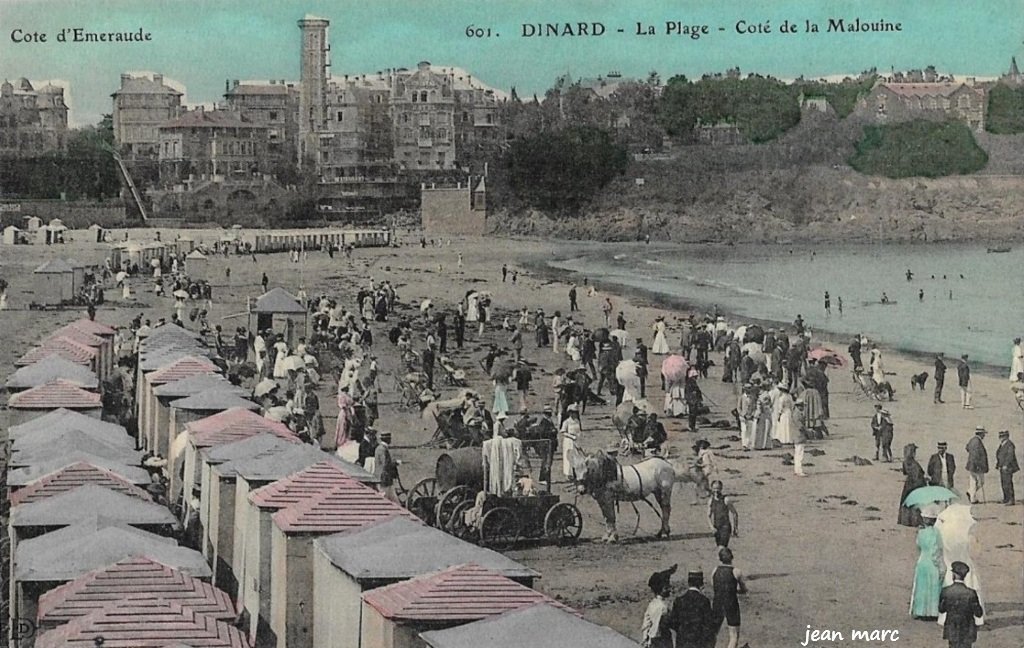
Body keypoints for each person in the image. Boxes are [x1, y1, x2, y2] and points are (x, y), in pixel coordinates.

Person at [938, 561, 983, 648]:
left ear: (953, 575)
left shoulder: (946, 591)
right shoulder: (971, 593)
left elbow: (941, 609)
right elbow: (978, 614)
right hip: (967, 629)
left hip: (951, 628)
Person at [669, 570, 716, 648]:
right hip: (699, 642)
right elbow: (709, 624)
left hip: (682, 641)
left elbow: (673, 623)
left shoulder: (679, 600)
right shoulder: (704, 601)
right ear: (701, 583)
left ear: (688, 582)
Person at [711, 548, 746, 648]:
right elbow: (744, 589)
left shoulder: (715, 570)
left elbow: (714, 586)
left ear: (720, 559)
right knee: (734, 635)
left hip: (717, 602)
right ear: (732, 557)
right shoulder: (736, 571)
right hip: (731, 603)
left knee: (713, 632)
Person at [910, 516, 944, 619]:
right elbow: (936, 550)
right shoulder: (936, 533)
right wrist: (939, 564)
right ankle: (932, 611)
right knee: (933, 586)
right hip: (931, 563)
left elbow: (918, 546)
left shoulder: (921, 533)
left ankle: (920, 610)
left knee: (921, 586)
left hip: (922, 561)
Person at [640, 565, 677, 648]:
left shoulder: (652, 604)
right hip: (661, 642)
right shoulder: (662, 607)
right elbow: (656, 630)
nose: (669, 590)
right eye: (666, 588)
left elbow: (646, 624)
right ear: (661, 589)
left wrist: (646, 639)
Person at [899, 444, 928, 527]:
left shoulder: (905, 462)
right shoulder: (915, 464)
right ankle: (915, 521)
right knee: (916, 504)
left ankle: (906, 521)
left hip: (908, 484)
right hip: (916, 485)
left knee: (907, 502)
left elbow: (904, 472)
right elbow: (918, 474)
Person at [707, 481, 739, 548]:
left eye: (718, 488)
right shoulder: (711, 501)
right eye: (714, 488)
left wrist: (735, 528)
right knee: (720, 548)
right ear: (712, 489)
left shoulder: (726, 500)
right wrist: (712, 527)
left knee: (722, 547)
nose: (716, 491)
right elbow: (708, 516)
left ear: (721, 488)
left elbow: (734, 513)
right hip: (716, 528)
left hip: (725, 527)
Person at [964, 427, 989, 504]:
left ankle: (971, 495)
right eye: (983, 434)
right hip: (977, 465)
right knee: (981, 482)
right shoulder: (978, 442)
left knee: (973, 480)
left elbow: (967, 448)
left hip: (971, 464)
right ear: (981, 434)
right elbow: (976, 455)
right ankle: (972, 496)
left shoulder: (972, 440)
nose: (984, 435)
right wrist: (978, 464)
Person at [373, 431, 399, 502]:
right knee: (385, 499)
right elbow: (385, 464)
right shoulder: (382, 449)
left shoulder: (380, 448)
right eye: (389, 438)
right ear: (387, 439)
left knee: (394, 500)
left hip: (384, 479)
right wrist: (395, 463)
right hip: (384, 479)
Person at [995, 430, 1019, 505]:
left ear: (1006, 436)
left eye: (1002, 436)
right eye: (1000, 436)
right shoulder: (1002, 444)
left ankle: (1011, 500)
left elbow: (1010, 456)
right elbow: (999, 454)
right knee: (1003, 483)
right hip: (1002, 467)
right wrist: (998, 465)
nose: (1000, 438)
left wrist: (1006, 465)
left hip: (1008, 467)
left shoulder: (1010, 444)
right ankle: (1006, 498)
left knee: (1008, 483)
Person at [560, 404, 582, 481]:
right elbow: (563, 432)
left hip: (576, 441)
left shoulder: (577, 421)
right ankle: (568, 474)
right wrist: (571, 436)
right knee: (568, 457)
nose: (574, 414)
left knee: (576, 457)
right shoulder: (566, 422)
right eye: (572, 412)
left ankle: (575, 473)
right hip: (568, 441)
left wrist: (578, 438)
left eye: (575, 412)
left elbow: (579, 431)